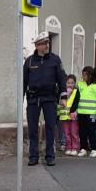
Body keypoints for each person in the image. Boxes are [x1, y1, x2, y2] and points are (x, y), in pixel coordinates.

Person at [23, 32, 68, 166]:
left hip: (50, 98)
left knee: (50, 127)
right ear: (37, 46)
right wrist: (20, 99)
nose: (47, 45)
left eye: (47, 43)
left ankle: (50, 156)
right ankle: (33, 156)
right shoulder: (29, 61)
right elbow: (24, 81)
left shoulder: (55, 59)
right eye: (44, 43)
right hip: (33, 99)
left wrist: (63, 97)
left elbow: (62, 78)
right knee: (32, 129)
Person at [71, 66, 96, 157]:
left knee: (92, 131)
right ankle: (83, 148)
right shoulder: (80, 84)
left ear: (90, 75)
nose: (83, 77)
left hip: (92, 113)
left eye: (84, 75)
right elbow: (76, 99)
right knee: (82, 131)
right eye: (82, 75)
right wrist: (72, 110)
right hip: (82, 112)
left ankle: (94, 149)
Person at [59, 74, 79, 155]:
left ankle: (74, 148)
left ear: (75, 83)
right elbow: (60, 103)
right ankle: (68, 147)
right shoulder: (63, 93)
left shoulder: (76, 92)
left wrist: (75, 112)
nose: (70, 85)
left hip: (73, 116)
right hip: (65, 117)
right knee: (66, 133)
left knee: (74, 132)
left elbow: (77, 103)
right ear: (65, 83)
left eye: (72, 83)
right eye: (68, 83)